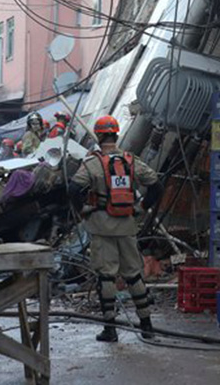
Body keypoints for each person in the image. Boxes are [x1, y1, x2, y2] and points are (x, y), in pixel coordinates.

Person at [68, 115, 163, 342]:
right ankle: (147, 327)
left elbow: (73, 189)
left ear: (100, 136)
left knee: (106, 276)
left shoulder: (92, 164)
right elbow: (156, 186)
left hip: (101, 227)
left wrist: (83, 210)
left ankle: (110, 329)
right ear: (116, 134)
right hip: (127, 226)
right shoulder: (131, 162)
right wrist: (140, 207)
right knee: (133, 274)